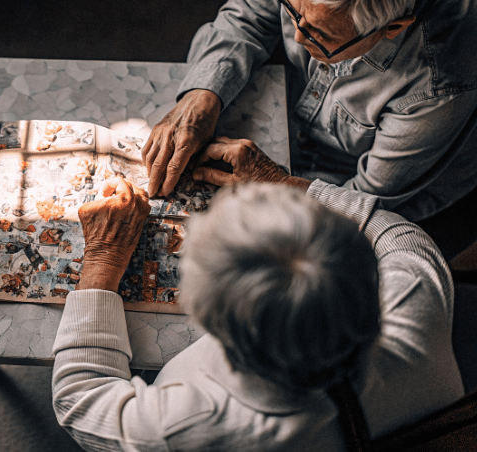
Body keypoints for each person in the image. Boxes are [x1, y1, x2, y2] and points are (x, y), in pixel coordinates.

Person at [51, 144, 464, 450]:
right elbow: (401, 235)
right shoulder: (416, 301)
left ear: (208, 325)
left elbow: (82, 399)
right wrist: (290, 185)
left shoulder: (188, 428)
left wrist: (103, 260)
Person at [141, 0, 477, 259]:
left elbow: (364, 204)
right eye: (293, 10)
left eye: (323, 35)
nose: (299, 36)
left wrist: (281, 185)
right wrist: (202, 95)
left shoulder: (439, 86)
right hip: (293, 123)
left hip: (388, 195)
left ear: (392, 28)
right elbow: (248, 18)